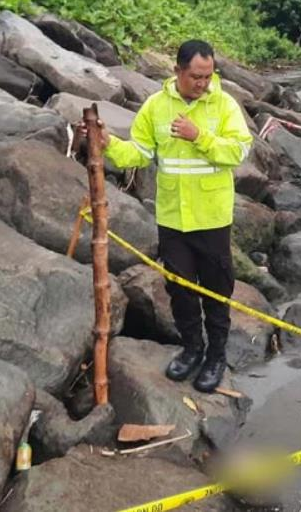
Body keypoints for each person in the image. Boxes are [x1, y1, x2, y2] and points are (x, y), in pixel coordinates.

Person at [87, 39, 252, 393]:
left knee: (217, 290)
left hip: (212, 218)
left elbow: (237, 152)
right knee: (179, 289)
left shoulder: (223, 105)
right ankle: (193, 348)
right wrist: (108, 144)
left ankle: (216, 356)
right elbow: (140, 153)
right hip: (173, 219)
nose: (202, 83)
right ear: (177, 71)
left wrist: (200, 137)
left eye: (208, 76)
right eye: (195, 76)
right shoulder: (156, 107)